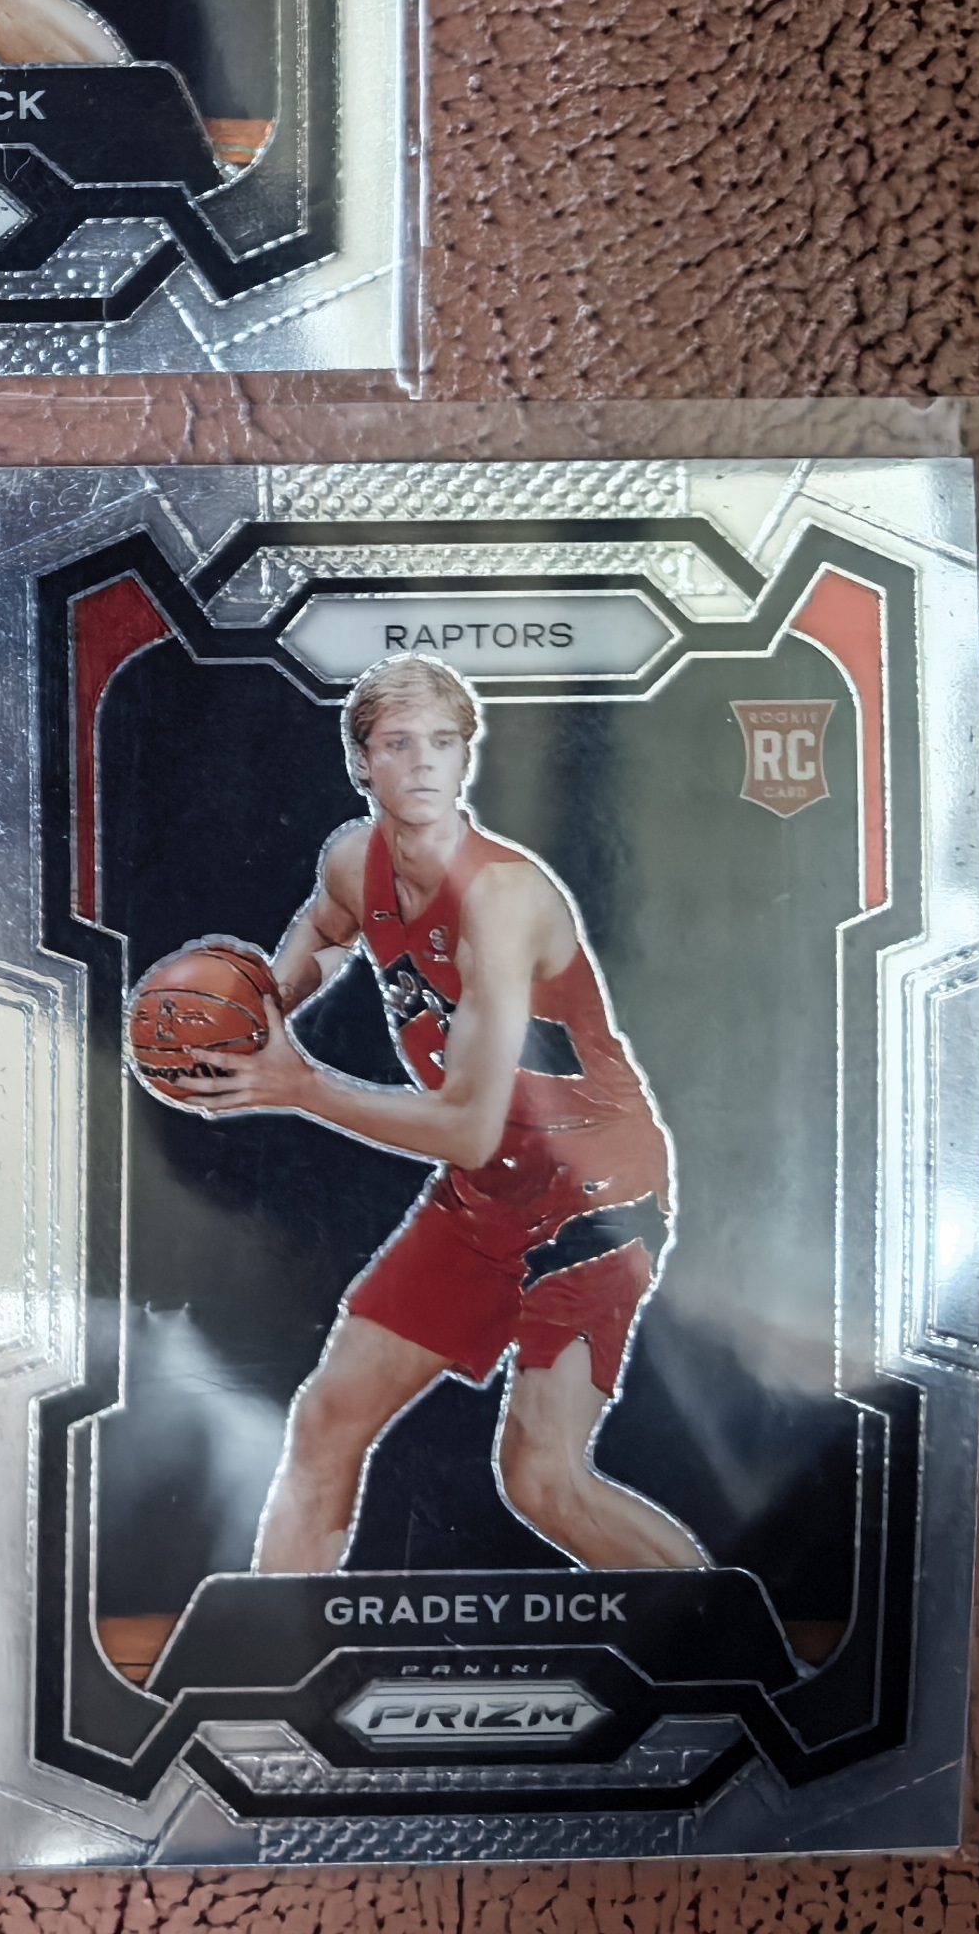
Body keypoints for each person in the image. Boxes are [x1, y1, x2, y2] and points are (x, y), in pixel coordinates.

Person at [161, 654, 705, 1575]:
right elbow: (325, 932)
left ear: (466, 758)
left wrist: (300, 1085)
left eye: (443, 743)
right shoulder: (353, 861)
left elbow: (466, 1127)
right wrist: (263, 1008)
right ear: (361, 763)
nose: (422, 763)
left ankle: (727, 1634)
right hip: (489, 1194)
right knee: (327, 1418)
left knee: (542, 1479)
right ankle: (271, 1644)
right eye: (398, 744)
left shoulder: (502, 900)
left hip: (595, 1194)